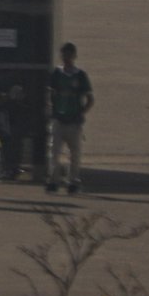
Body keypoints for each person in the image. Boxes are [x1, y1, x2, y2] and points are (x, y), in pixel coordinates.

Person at [46, 42, 92, 194]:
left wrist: (81, 112)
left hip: (74, 122)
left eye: (69, 55)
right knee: (54, 151)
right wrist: (53, 110)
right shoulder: (57, 74)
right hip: (59, 119)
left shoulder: (80, 75)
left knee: (75, 153)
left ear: (74, 56)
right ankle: (53, 181)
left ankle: (73, 181)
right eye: (64, 55)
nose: (66, 58)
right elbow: (50, 94)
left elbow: (90, 98)